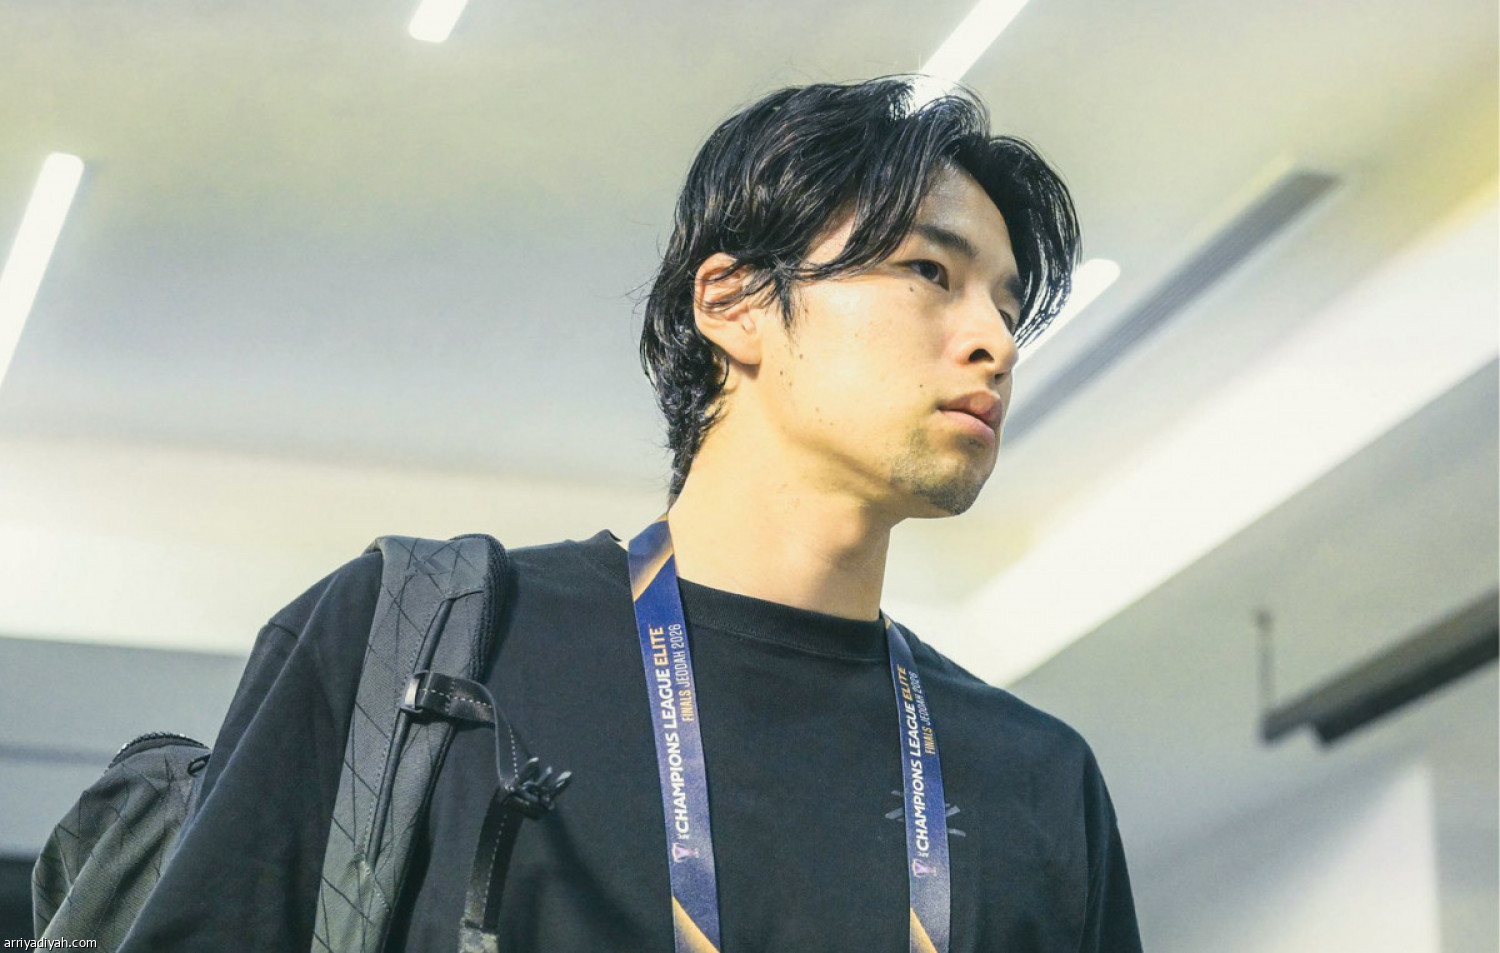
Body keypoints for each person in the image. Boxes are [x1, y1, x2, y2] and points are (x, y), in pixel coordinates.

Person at [118, 76, 1142, 952]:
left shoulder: (1035, 777)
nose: (996, 341)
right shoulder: (424, 641)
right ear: (732, 302)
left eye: (1008, 306)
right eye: (930, 271)